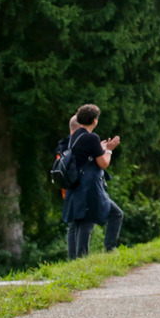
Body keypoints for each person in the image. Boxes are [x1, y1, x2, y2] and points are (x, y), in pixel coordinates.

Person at [61, 104, 123, 260]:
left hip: (75, 184)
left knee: (77, 222)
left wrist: (100, 148)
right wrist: (109, 149)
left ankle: (74, 260)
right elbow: (103, 163)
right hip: (89, 186)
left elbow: (85, 155)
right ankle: (89, 257)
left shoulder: (75, 136)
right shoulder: (91, 137)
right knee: (88, 221)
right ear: (95, 120)